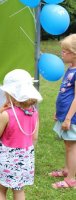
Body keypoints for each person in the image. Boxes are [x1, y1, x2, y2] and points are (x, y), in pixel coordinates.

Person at [0, 69, 43, 199]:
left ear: (10, 94)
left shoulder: (7, 114)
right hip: (25, 156)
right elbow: (34, 138)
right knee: (19, 191)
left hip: (7, 158)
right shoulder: (34, 112)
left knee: (0, 189)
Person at [50, 34, 76, 189]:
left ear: (74, 53)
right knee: (68, 145)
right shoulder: (70, 69)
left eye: (65, 51)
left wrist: (67, 118)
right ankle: (67, 170)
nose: (62, 54)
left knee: (72, 146)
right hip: (64, 115)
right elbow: (64, 92)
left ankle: (71, 179)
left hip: (72, 118)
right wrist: (58, 113)